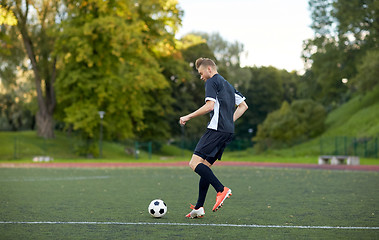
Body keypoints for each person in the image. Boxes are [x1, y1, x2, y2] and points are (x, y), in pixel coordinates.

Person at [179, 58, 248, 218]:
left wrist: (188, 117)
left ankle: (221, 189)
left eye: (201, 73)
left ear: (209, 69)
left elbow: (210, 106)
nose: (201, 77)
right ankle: (199, 207)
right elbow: (244, 106)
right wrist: (229, 121)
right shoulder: (228, 85)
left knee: (194, 163)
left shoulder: (211, 81)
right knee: (204, 167)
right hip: (227, 131)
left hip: (216, 130)